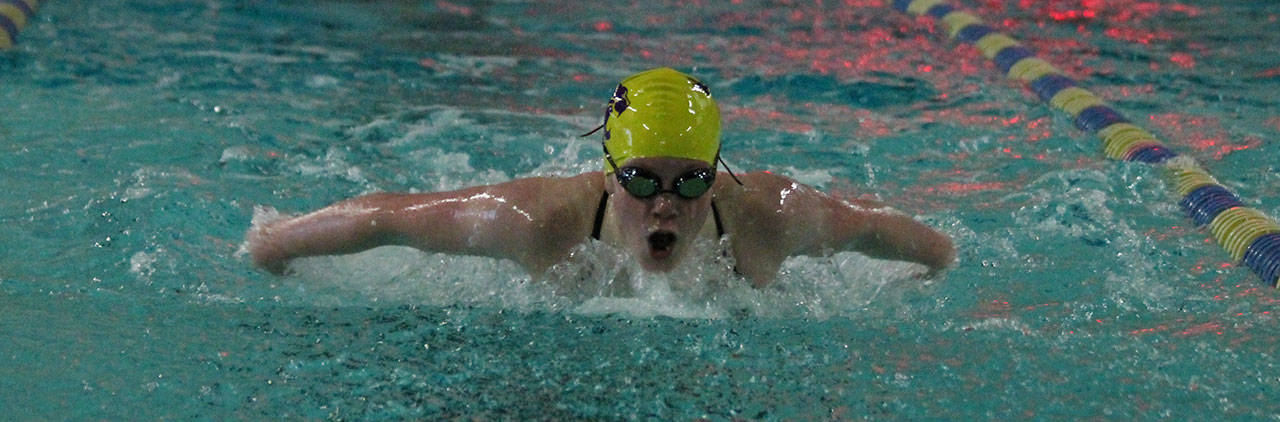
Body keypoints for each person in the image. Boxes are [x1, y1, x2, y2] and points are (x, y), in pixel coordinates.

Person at [246, 67, 955, 288]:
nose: (666, 205)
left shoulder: (769, 216)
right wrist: (276, 243)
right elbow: (388, 217)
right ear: (609, 171)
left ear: (718, 175)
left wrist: (945, 276)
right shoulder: (536, 222)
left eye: (690, 182)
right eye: (644, 181)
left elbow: (886, 234)